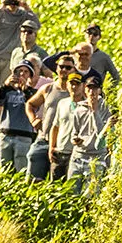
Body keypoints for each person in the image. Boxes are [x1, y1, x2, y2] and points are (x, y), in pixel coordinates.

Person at [0, 0, 39, 137]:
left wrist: (26, 7)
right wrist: (1, 6)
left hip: (10, 59)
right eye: (11, 0)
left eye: (15, 0)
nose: (13, 4)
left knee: (4, 95)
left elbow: (36, 25)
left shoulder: (22, 14)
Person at [25, 53, 76, 182]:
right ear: (57, 68)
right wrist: (33, 119)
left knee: (58, 183)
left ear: (74, 70)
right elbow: (30, 104)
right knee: (33, 178)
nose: (64, 70)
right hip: (43, 139)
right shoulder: (47, 88)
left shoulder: (77, 92)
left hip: (63, 145)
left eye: (68, 68)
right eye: (61, 66)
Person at [67, 76, 113, 191]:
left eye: (95, 88)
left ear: (100, 90)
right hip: (78, 156)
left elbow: (102, 134)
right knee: (71, 193)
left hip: (96, 158)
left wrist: (94, 111)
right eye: (89, 88)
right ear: (85, 90)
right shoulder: (79, 109)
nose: (92, 92)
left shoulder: (105, 108)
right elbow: (74, 132)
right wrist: (75, 139)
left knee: (91, 195)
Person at [0, 61, 38, 173]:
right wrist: (5, 86)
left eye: (26, 72)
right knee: (4, 170)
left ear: (30, 76)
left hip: (23, 137)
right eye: (19, 71)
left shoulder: (34, 92)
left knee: (22, 170)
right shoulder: (7, 91)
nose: (22, 74)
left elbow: (35, 106)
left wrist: (25, 90)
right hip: (6, 135)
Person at [49, 70, 88, 181]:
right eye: (71, 83)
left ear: (83, 86)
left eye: (77, 84)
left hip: (76, 154)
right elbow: (55, 126)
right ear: (67, 85)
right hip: (60, 152)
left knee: (71, 187)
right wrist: (51, 147)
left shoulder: (88, 106)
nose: (74, 87)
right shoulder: (62, 103)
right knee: (54, 186)